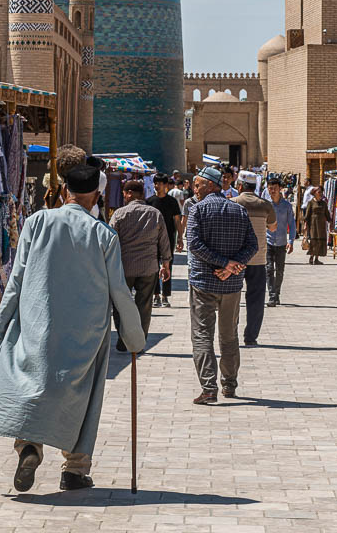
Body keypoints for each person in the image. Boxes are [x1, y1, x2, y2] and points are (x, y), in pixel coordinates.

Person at [0, 162, 144, 492]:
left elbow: (17, 277)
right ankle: (75, 469)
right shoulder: (102, 234)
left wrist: (1, 324)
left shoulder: (37, 222)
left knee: (32, 384)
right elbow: (119, 289)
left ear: (65, 191)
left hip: (38, 321)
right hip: (86, 330)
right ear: (97, 194)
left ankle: (29, 446)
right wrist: (133, 336)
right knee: (82, 396)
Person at [186, 165, 257, 404]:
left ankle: (208, 389)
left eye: (197, 185)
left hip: (203, 283)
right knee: (229, 336)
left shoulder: (198, 210)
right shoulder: (239, 210)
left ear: (211, 185)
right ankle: (229, 385)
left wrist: (224, 263)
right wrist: (232, 266)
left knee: (202, 335)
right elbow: (252, 246)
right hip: (231, 285)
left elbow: (194, 244)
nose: (194, 189)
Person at [110, 179, 171, 349]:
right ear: (142, 194)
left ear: (128, 194)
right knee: (144, 305)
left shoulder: (119, 214)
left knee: (120, 304)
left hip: (124, 267)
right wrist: (166, 264)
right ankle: (139, 341)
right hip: (148, 267)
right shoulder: (155, 213)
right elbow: (164, 241)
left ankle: (123, 340)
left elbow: (109, 240)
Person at [232, 172, 276, 346]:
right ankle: (251, 337)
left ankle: (231, 333)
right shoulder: (265, 205)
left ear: (240, 186)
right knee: (256, 300)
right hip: (258, 259)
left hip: (236, 260)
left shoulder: (233, 203)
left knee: (232, 299)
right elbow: (273, 228)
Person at [147, 172, 183, 307]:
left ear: (166, 185)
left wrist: (180, 237)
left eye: (160, 183)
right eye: (156, 183)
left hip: (168, 238)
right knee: (154, 266)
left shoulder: (172, 202)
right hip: (153, 238)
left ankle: (165, 296)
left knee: (168, 266)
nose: (157, 186)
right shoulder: (150, 201)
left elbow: (177, 220)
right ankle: (156, 295)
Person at [265, 174, 296, 305]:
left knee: (280, 270)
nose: (272, 191)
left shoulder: (287, 206)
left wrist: (291, 241)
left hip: (282, 242)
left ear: (280, 189)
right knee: (268, 269)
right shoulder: (265, 205)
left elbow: (292, 224)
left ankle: (277, 292)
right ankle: (272, 295)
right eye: (270, 188)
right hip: (268, 242)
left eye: (275, 188)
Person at [303, 185, 330, 266]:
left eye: (321, 192)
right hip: (313, 225)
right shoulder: (310, 203)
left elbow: (327, 214)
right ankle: (311, 257)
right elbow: (307, 215)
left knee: (320, 241)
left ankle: (317, 259)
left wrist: (330, 222)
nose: (321, 194)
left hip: (321, 225)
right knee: (314, 241)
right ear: (314, 193)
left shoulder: (324, 203)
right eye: (319, 192)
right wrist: (305, 225)